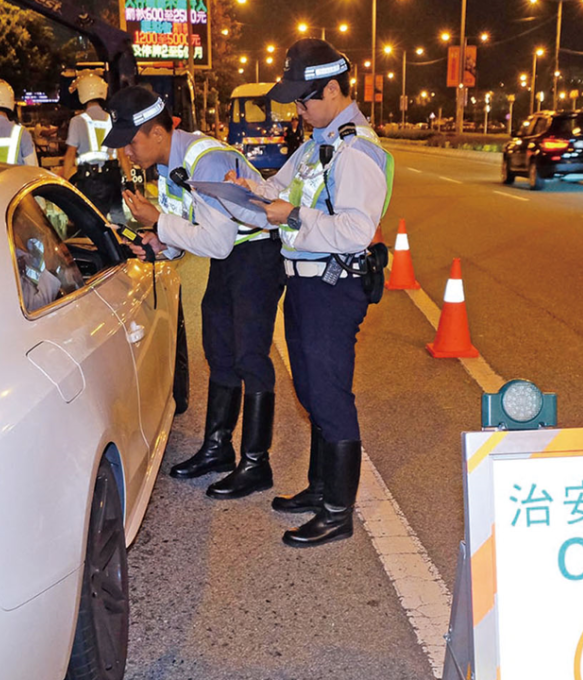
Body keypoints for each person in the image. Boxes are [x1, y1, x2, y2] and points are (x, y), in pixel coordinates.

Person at [235, 39, 394, 547]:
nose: (297, 111)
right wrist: (248, 188)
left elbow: (355, 230)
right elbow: (279, 189)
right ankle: (320, 488)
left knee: (328, 395)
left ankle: (337, 512)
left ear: (331, 90)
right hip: (304, 283)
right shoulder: (315, 144)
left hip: (333, 286)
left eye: (303, 101)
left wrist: (294, 216)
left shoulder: (355, 150)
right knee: (309, 391)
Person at [103, 85, 285, 501]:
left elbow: (217, 241)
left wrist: (159, 222)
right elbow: (191, 233)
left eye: (131, 141)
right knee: (219, 349)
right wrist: (157, 242)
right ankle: (218, 448)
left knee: (250, 356)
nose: (127, 151)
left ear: (157, 133)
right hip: (231, 259)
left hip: (256, 255)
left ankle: (256, 463)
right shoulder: (169, 167)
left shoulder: (205, 161)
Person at [62, 71, 131, 225]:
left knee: (92, 222)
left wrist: (64, 181)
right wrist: (130, 180)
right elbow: (122, 154)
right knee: (118, 217)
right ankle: (124, 239)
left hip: (89, 181)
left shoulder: (77, 121)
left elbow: (70, 154)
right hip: (113, 178)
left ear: (82, 93)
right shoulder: (112, 120)